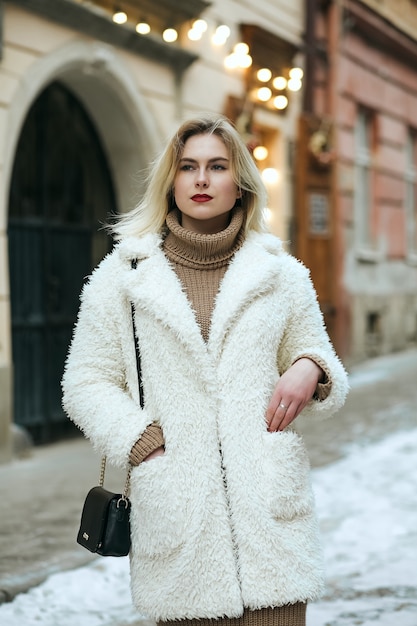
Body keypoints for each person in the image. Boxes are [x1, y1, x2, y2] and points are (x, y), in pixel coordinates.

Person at [62, 115, 349, 626]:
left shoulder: (280, 274)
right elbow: (84, 380)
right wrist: (143, 441)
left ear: (239, 183)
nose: (201, 179)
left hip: (271, 527)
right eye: (188, 166)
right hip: (180, 525)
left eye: (217, 167)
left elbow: (322, 359)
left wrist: (311, 367)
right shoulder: (123, 278)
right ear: (170, 181)